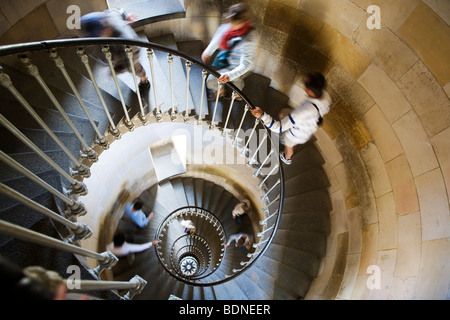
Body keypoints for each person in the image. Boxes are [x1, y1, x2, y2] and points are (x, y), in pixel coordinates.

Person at [250, 72, 332, 165]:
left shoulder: (303, 111)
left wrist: (262, 115)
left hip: (297, 135)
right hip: (308, 123)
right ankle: (284, 137)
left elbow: (278, 128)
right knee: (283, 112)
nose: (304, 87)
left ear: (310, 91)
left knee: (289, 146)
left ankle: (287, 158)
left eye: (305, 86)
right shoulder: (326, 97)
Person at [80, 8, 150, 95]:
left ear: (105, 30)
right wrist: (127, 16)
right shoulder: (109, 16)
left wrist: (116, 71)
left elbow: (129, 62)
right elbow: (117, 11)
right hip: (119, 50)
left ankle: (144, 81)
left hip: (131, 54)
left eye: (98, 37)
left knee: (135, 68)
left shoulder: (125, 40)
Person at [201, 3, 258, 100]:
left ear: (243, 23)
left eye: (234, 24)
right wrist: (208, 51)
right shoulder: (231, 26)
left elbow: (245, 65)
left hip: (238, 65)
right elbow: (220, 34)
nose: (230, 26)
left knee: (210, 81)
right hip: (228, 59)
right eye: (231, 22)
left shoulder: (249, 40)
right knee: (235, 79)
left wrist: (229, 75)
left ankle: (236, 92)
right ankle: (224, 90)